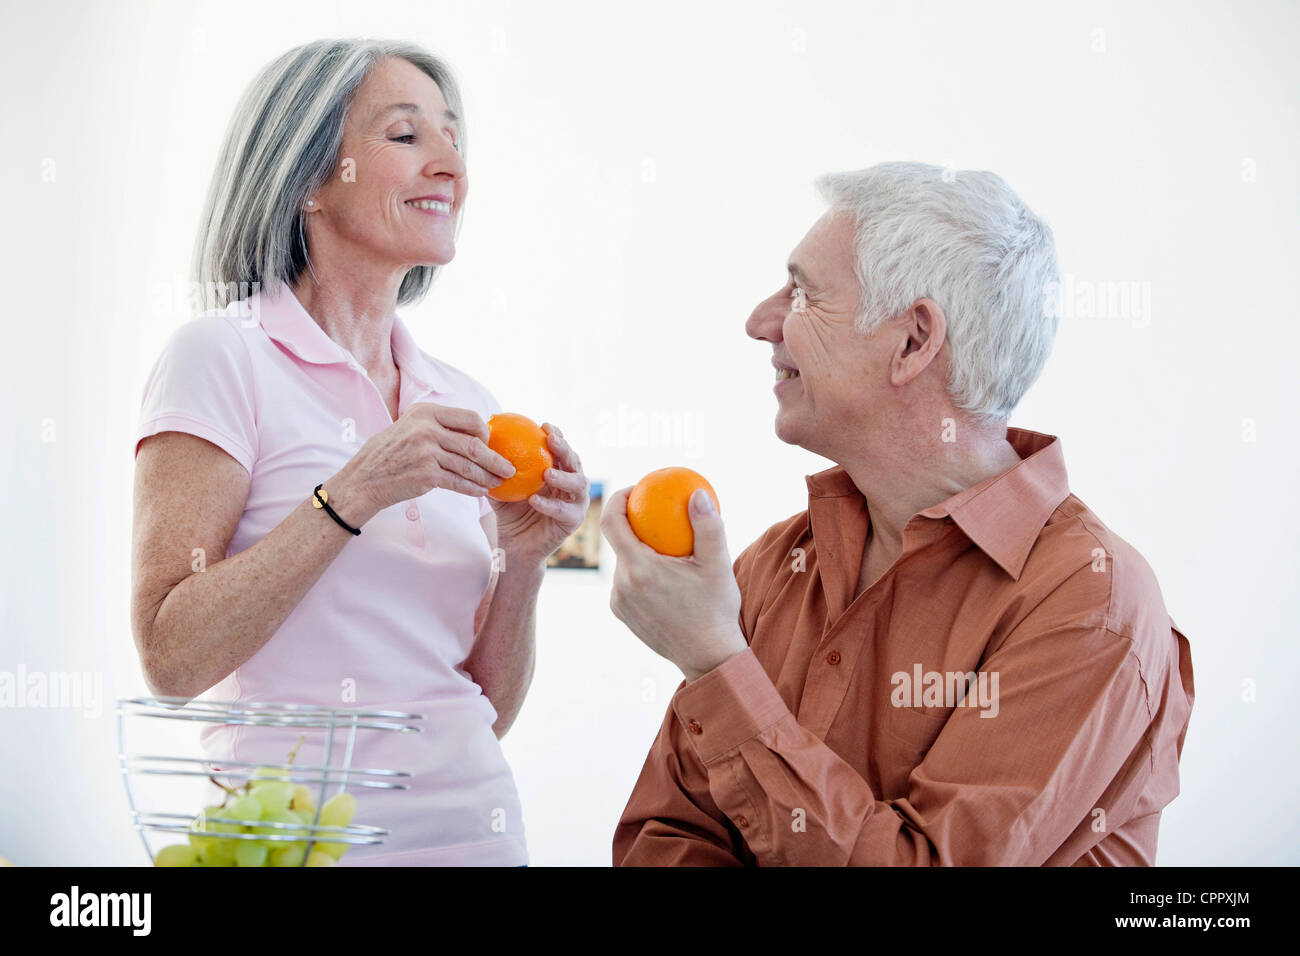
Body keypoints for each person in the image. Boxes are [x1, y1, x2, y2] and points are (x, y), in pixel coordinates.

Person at [604, 161, 1194, 866]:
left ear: (913, 340)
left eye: (802, 292)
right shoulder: (774, 565)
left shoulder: (1093, 601)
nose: (761, 322)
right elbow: (664, 838)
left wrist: (714, 664)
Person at [131, 38, 588, 866]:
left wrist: (523, 565)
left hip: (478, 840)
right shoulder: (221, 358)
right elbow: (171, 655)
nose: (451, 164)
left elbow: (479, 705)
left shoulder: (466, 403)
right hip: (302, 848)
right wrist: (353, 493)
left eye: (454, 138)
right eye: (408, 136)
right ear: (309, 180)